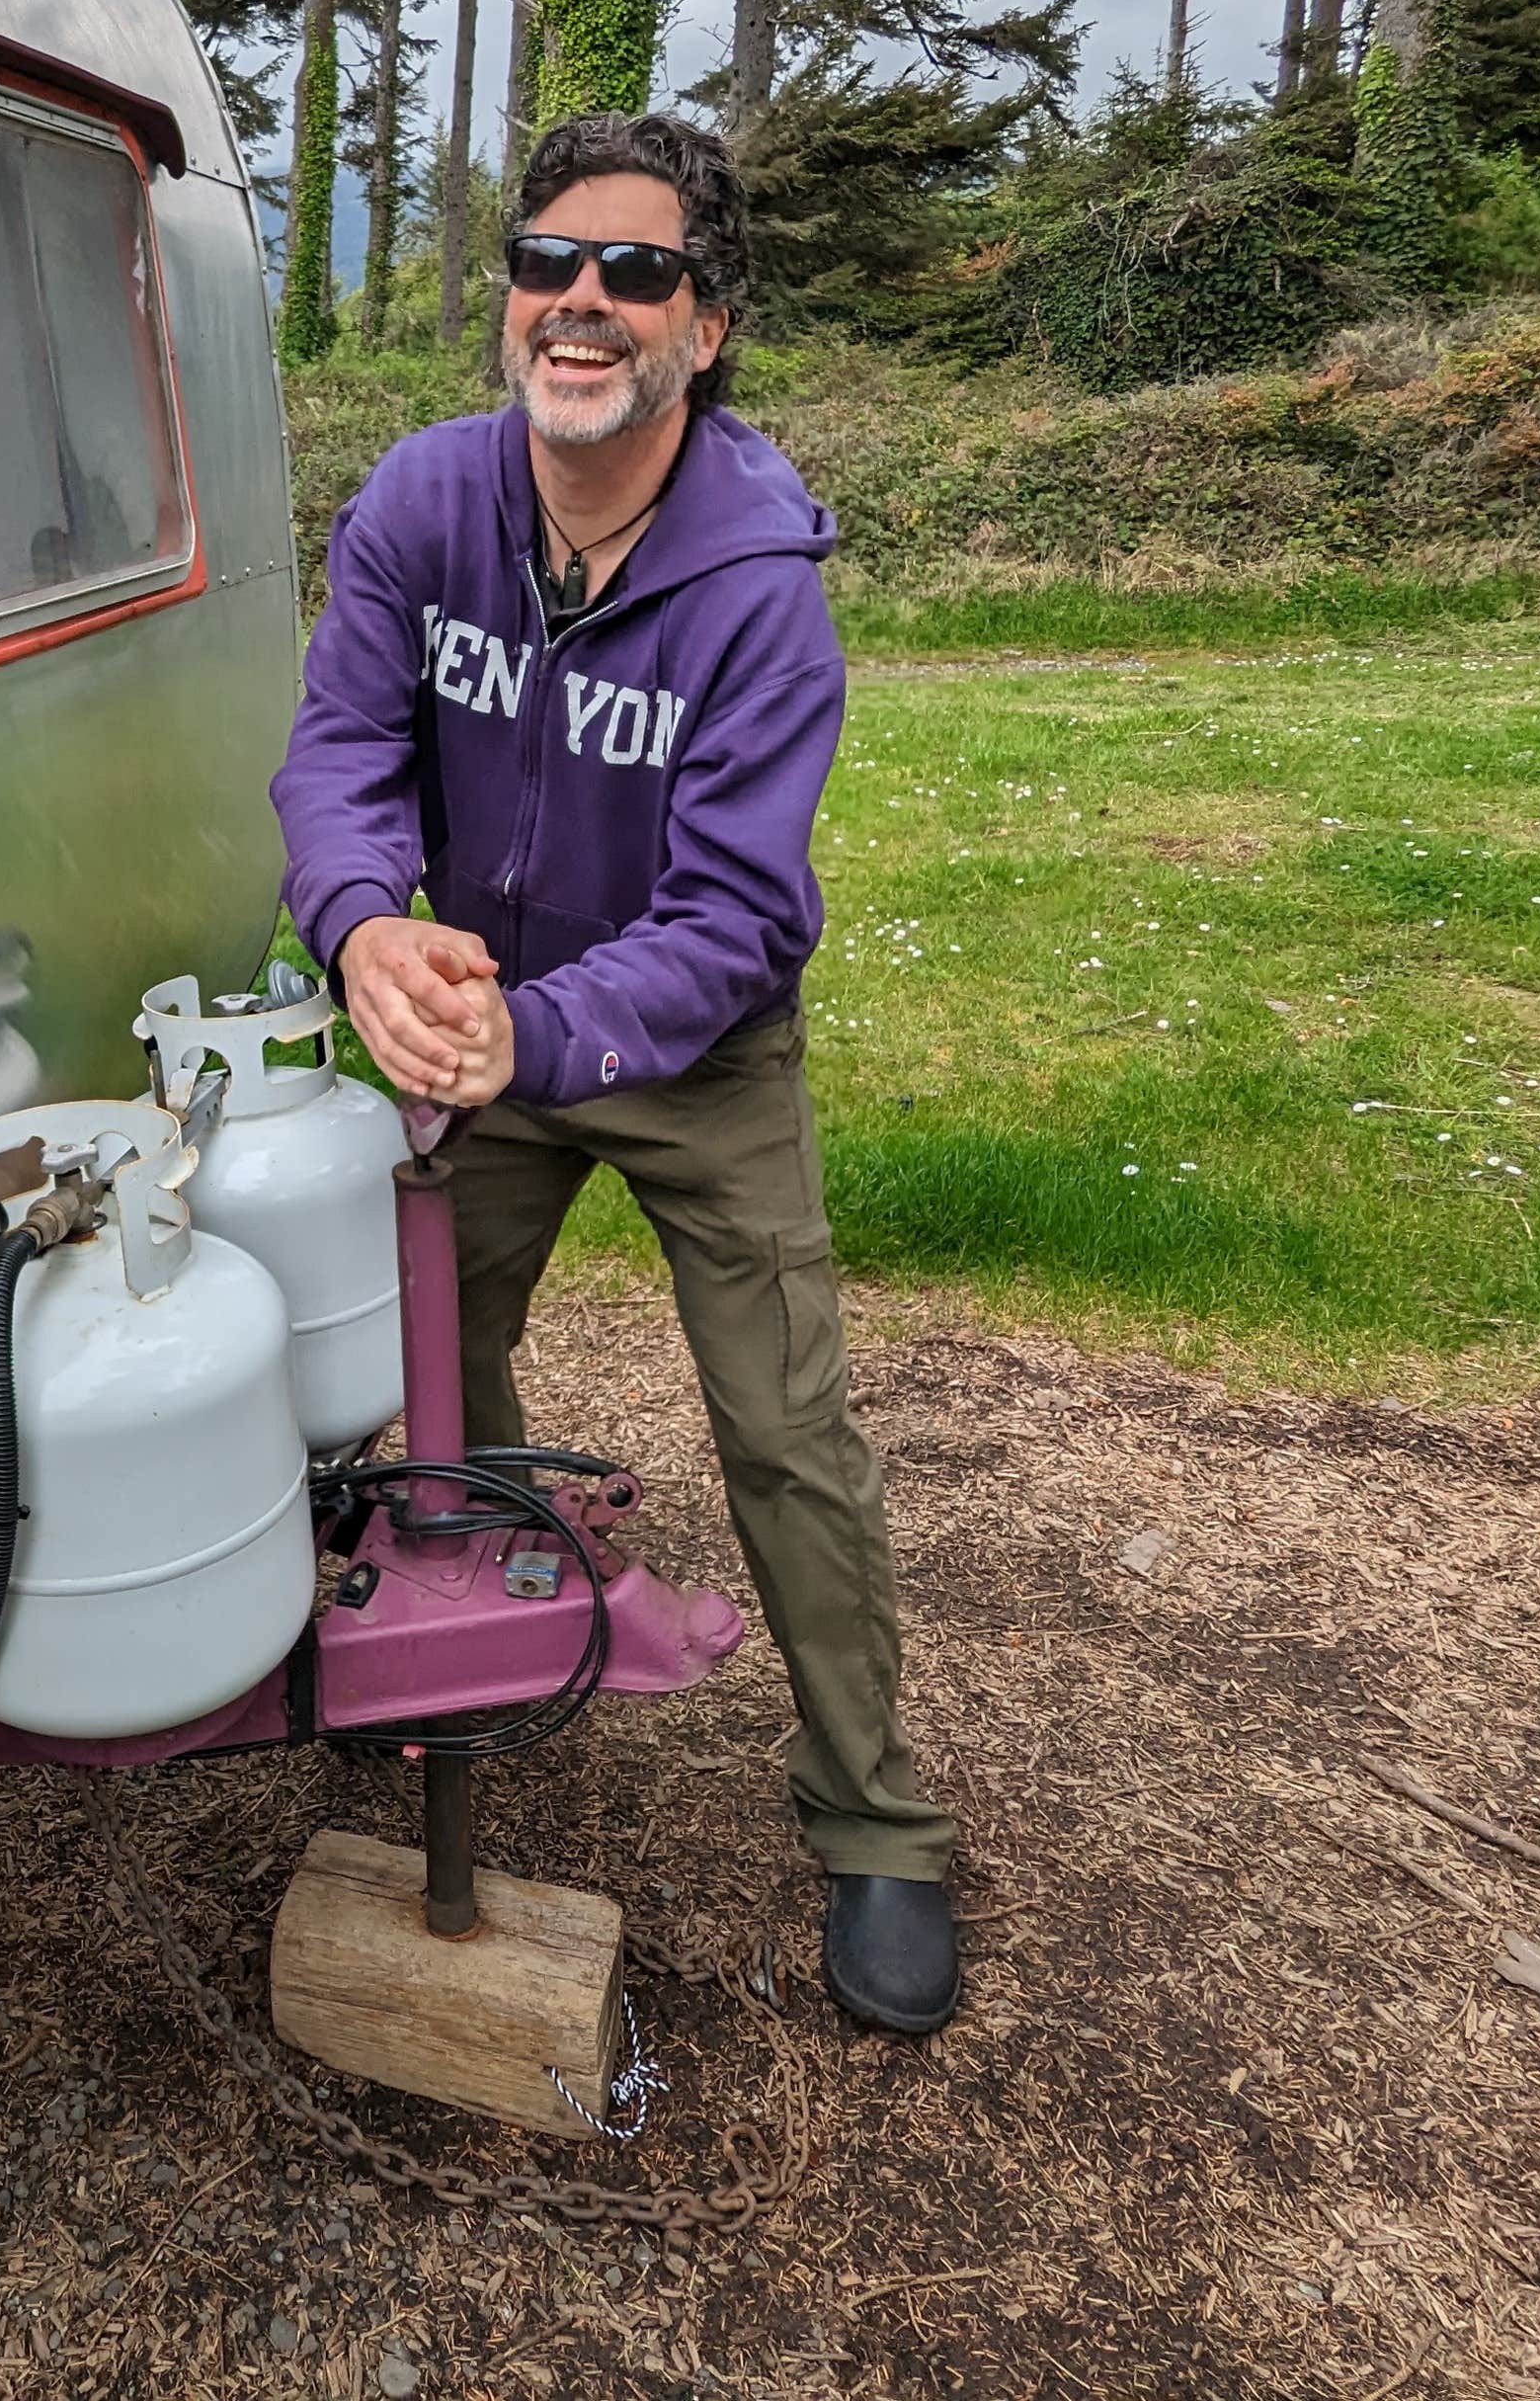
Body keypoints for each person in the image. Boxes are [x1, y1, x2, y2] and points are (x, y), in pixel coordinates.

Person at [269, 111, 960, 2032]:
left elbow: (740, 913)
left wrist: (540, 1028)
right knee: (413, 1362)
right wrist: (362, 928)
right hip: (477, 1008)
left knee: (786, 1426)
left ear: (706, 324)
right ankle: (475, 1665)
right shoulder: (422, 505)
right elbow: (340, 757)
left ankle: (877, 1828)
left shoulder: (760, 587)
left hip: (692, 1048)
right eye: (547, 261)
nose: (582, 302)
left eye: (637, 272)